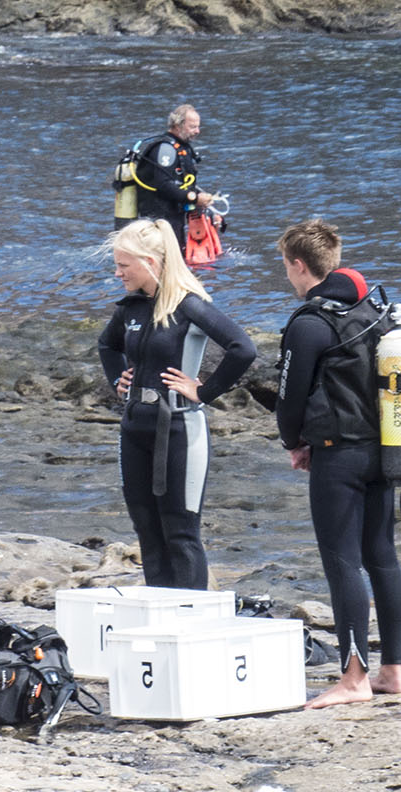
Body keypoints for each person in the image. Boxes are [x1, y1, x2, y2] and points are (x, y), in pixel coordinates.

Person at [273, 218, 401, 709]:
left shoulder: (310, 322)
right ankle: (393, 672)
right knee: (383, 557)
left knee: (342, 561)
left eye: (286, 267)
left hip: (339, 456)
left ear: (298, 264)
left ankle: (353, 679)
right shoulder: (374, 310)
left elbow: (290, 398)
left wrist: (293, 441)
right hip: (388, 448)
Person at [96, 219, 255, 590]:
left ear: (151, 262)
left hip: (180, 428)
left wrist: (204, 391)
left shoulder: (188, 305)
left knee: (180, 533)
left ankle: (191, 621)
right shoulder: (131, 309)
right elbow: (107, 345)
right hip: (135, 426)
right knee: (148, 532)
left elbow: (242, 348)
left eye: (124, 265)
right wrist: (118, 379)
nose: (117, 273)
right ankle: (161, 619)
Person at [128, 104, 215, 231]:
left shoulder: (181, 146)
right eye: (192, 127)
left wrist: (205, 206)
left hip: (174, 215)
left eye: (198, 126)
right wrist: (194, 198)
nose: (197, 131)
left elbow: (183, 183)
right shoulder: (166, 149)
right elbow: (163, 184)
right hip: (158, 220)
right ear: (178, 125)